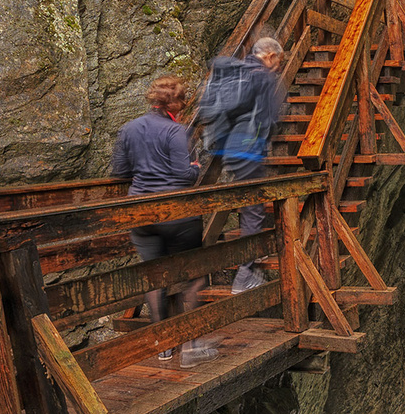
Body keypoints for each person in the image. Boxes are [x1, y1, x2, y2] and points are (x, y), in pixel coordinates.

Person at [112, 75, 216, 366]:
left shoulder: (128, 128)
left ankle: (164, 347)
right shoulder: (176, 132)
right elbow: (185, 175)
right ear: (177, 104)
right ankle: (193, 346)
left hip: (141, 213)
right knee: (194, 275)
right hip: (176, 214)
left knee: (154, 278)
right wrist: (196, 166)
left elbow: (120, 171)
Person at [194, 36, 286, 293]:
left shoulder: (236, 70)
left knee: (248, 202)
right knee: (254, 208)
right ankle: (246, 274)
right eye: (278, 61)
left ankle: (252, 256)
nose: (278, 67)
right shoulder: (264, 77)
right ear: (269, 55)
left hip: (227, 149)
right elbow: (271, 115)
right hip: (249, 148)